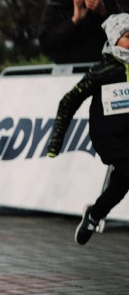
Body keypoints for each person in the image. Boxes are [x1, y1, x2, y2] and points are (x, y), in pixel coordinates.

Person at [47, 13, 129, 245]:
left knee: (122, 183)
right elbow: (68, 101)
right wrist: (56, 139)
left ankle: (93, 215)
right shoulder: (101, 71)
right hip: (109, 137)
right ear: (114, 39)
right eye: (128, 37)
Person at [39, 0, 122, 65]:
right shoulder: (55, 7)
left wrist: (104, 11)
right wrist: (74, 20)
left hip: (105, 64)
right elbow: (46, 43)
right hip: (70, 68)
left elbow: (124, 30)